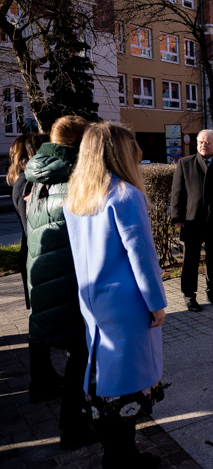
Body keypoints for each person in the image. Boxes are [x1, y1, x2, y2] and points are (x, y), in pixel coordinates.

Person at [64, 123, 167, 469]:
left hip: (94, 304)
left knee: (105, 385)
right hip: (127, 307)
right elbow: (143, 258)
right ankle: (122, 459)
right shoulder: (125, 196)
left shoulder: (76, 198)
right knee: (127, 388)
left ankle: (121, 455)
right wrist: (157, 304)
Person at [24, 115, 95, 448]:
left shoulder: (39, 176)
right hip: (69, 282)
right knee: (80, 357)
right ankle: (74, 428)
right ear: (79, 143)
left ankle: (75, 422)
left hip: (45, 280)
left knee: (75, 356)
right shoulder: (73, 178)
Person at [8, 133, 60, 402]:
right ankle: (41, 380)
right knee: (38, 323)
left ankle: (43, 377)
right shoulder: (27, 182)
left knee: (39, 320)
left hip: (33, 256)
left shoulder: (23, 180)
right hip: (36, 257)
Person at [171, 130, 213, 312]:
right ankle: (189, 296)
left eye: (208, 142)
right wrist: (177, 217)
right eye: (201, 142)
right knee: (190, 260)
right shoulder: (185, 164)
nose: (203, 145)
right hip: (192, 222)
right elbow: (177, 193)